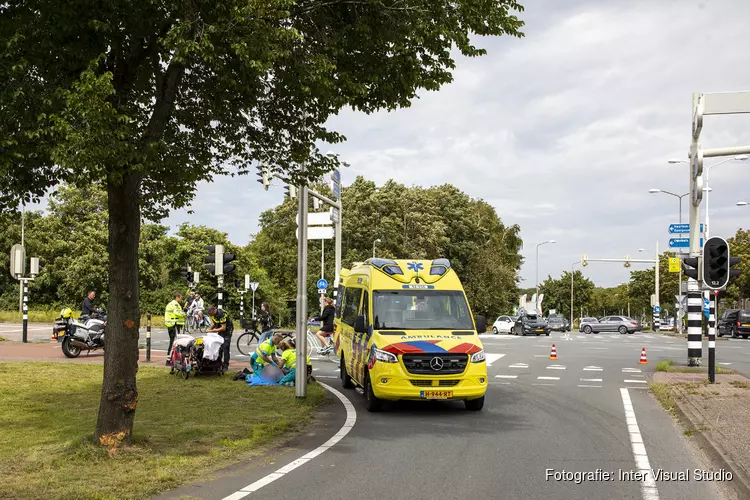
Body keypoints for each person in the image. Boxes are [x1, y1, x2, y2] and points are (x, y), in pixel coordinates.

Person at [206, 306, 234, 371]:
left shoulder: (222, 314)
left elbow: (223, 328)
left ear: (214, 310)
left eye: (211, 314)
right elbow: (213, 323)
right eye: (209, 315)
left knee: (225, 347)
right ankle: (218, 364)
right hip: (220, 330)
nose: (210, 315)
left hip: (227, 330)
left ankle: (225, 365)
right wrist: (209, 330)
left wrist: (212, 331)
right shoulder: (212, 314)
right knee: (219, 347)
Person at [164, 292, 186, 365]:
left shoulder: (171, 304)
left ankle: (172, 358)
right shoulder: (175, 304)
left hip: (171, 324)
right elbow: (177, 313)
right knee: (173, 342)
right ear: (177, 297)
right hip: (173, 324)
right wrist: (185, 314)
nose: (181, 299)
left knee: (174, 342)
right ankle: (168, 360)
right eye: (181, 297)